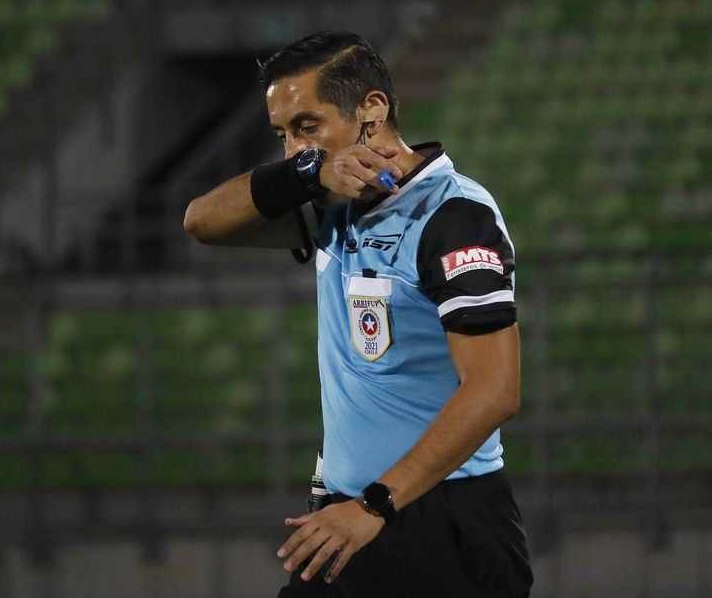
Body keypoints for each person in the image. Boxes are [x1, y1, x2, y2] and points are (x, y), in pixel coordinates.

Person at [183, 30, 532, 597]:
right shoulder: (331, 207)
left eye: (307, 127)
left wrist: (375, 506)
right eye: (282, 135)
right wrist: (309, 173)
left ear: (373, 108)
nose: (293, 149)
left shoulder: (454, 216)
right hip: (347, 516)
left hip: (438, 517)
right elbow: (201, 221)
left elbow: (495, 389)